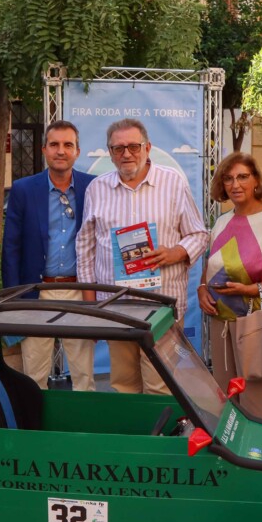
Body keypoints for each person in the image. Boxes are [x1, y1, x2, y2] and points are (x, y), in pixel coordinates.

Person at [76, 118, 208, 394]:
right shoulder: (97, 189)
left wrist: (176, 252)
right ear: (109, 152)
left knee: (161, 384)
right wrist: (91, 307)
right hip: (116, 307)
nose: (126, 154)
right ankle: (132, 437)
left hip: (162, 306)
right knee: (123, 384)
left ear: (148, 147)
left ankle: (159, 437)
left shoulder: (173, 183)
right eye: (118, 148)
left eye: (134, 147)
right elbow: (85, 248)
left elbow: (199, 234)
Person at [197, 153, 262, 418]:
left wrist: (249, 290)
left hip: (256, 321)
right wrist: (201, 288)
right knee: (225, 393)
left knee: (252, 395)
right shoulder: (221, 221)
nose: (235, 184)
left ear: (256, 181)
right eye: (228, 178)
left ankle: (256, 453)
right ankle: (230, 453)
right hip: (221, 322)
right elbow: (211, 265)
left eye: (243, 176)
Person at [2, 120, 97, 390]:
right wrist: (14, 300)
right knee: (34, 375)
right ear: (44, 149)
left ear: (77, 151)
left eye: (68, 145)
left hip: (79, 291)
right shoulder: (23, 189)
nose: (60, 151)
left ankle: (83, 431)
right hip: (37, 291)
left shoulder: (93, 187)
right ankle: (36, 429)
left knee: (84, 376)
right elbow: (11, 248)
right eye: (54, 144)